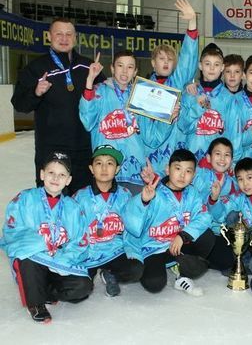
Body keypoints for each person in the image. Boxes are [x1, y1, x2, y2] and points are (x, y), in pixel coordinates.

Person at [11, 18, 105, 194]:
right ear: (49, 36)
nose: (64, 38)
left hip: (84, 149)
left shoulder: (88, 66)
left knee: (84, 200)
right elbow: (19, 104)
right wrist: (36, 92)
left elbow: (107, 101)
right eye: (59, 34)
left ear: (75, 38)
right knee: (51, 201)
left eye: (69, 34)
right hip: (50, 149)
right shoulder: (36, 67)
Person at [1, 152, 93, 323]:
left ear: (68, 180)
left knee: (83, 287)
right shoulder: (24, 199)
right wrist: (43, 243)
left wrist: (63, 258)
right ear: (42, 174)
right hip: (33, 261)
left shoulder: (73, 208)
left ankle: (47, 291)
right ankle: (36, 303)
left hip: (57, 264)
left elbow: (80, 241)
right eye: (51, 172)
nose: (56, 178)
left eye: (62, 175)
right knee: (27, 258)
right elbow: (12, 231)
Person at [126, 149, 215, 295]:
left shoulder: (192, 193)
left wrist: (183, 235)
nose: (182, 175)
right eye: (178, 168)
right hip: (154, 247)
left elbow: (204, 216)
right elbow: (132, 221)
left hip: (177, 244)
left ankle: (182, 273)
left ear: (193, 175)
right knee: (154, 284)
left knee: (207, 236)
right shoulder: (154, 191)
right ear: (168, 169)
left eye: (188, 171)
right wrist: (144, 200)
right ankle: (170, 263)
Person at [79, 50, 168, 195]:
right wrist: (89, 82)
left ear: (135, 72)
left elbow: (151, 138)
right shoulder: (99, 91)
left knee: (135, 209)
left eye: (130, 67)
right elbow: (87, 122)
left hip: (136, 173)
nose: (125, 71)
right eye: (120, 65)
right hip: (106, 172)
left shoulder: (141, 95)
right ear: (112, 68)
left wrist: (169, 119)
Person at [73, 145, 144, 297]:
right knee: (79, 291)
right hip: (89, 251)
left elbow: (132, 226)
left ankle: (110, 274)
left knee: (136, 269)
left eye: (110, 163)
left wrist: (131, 249)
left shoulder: (125, 194)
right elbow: (73, 229)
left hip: (114, 250)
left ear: (117, 169)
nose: (104, 168)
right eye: (99, 163)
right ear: (91, 169)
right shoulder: (80, 197)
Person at [144, 0, 199, 175]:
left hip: (175, 150)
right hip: (150, 154)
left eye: (170, 59)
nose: (166, 62)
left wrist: (192, 22)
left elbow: (188, 59)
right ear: (153, 63)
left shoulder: (176, 83)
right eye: (161, 59)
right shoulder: (143, 90)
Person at [208, 157, 252, 275]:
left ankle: (250, 265)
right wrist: (214, 199)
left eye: (249, 178)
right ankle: (242, 260)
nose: (245, 184)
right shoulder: (237, 198)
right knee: (232, 216)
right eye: (240, 179)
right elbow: (220, 216)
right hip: (247, 242)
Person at [179, 43, 243, 163]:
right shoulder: (189, 94)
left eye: (216, 64)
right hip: (191, 162)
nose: (212, 68)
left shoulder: (229, 99)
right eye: (207, 64)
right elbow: (182, 126)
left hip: (218, 164)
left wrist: (233, 163)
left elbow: (235, 135)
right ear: (200, 65)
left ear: (222, 67)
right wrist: (197, 107)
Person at [193, 137, 239, 271]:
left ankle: (202, 259)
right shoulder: (198, 174)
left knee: (228, 261)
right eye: (218, 154)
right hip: (197, 228)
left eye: (227, 155)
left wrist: (214, 200)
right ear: (208, 158)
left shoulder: (233, 184)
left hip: (217, 231)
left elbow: (221, 216)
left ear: (231, 160)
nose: (222, 159)